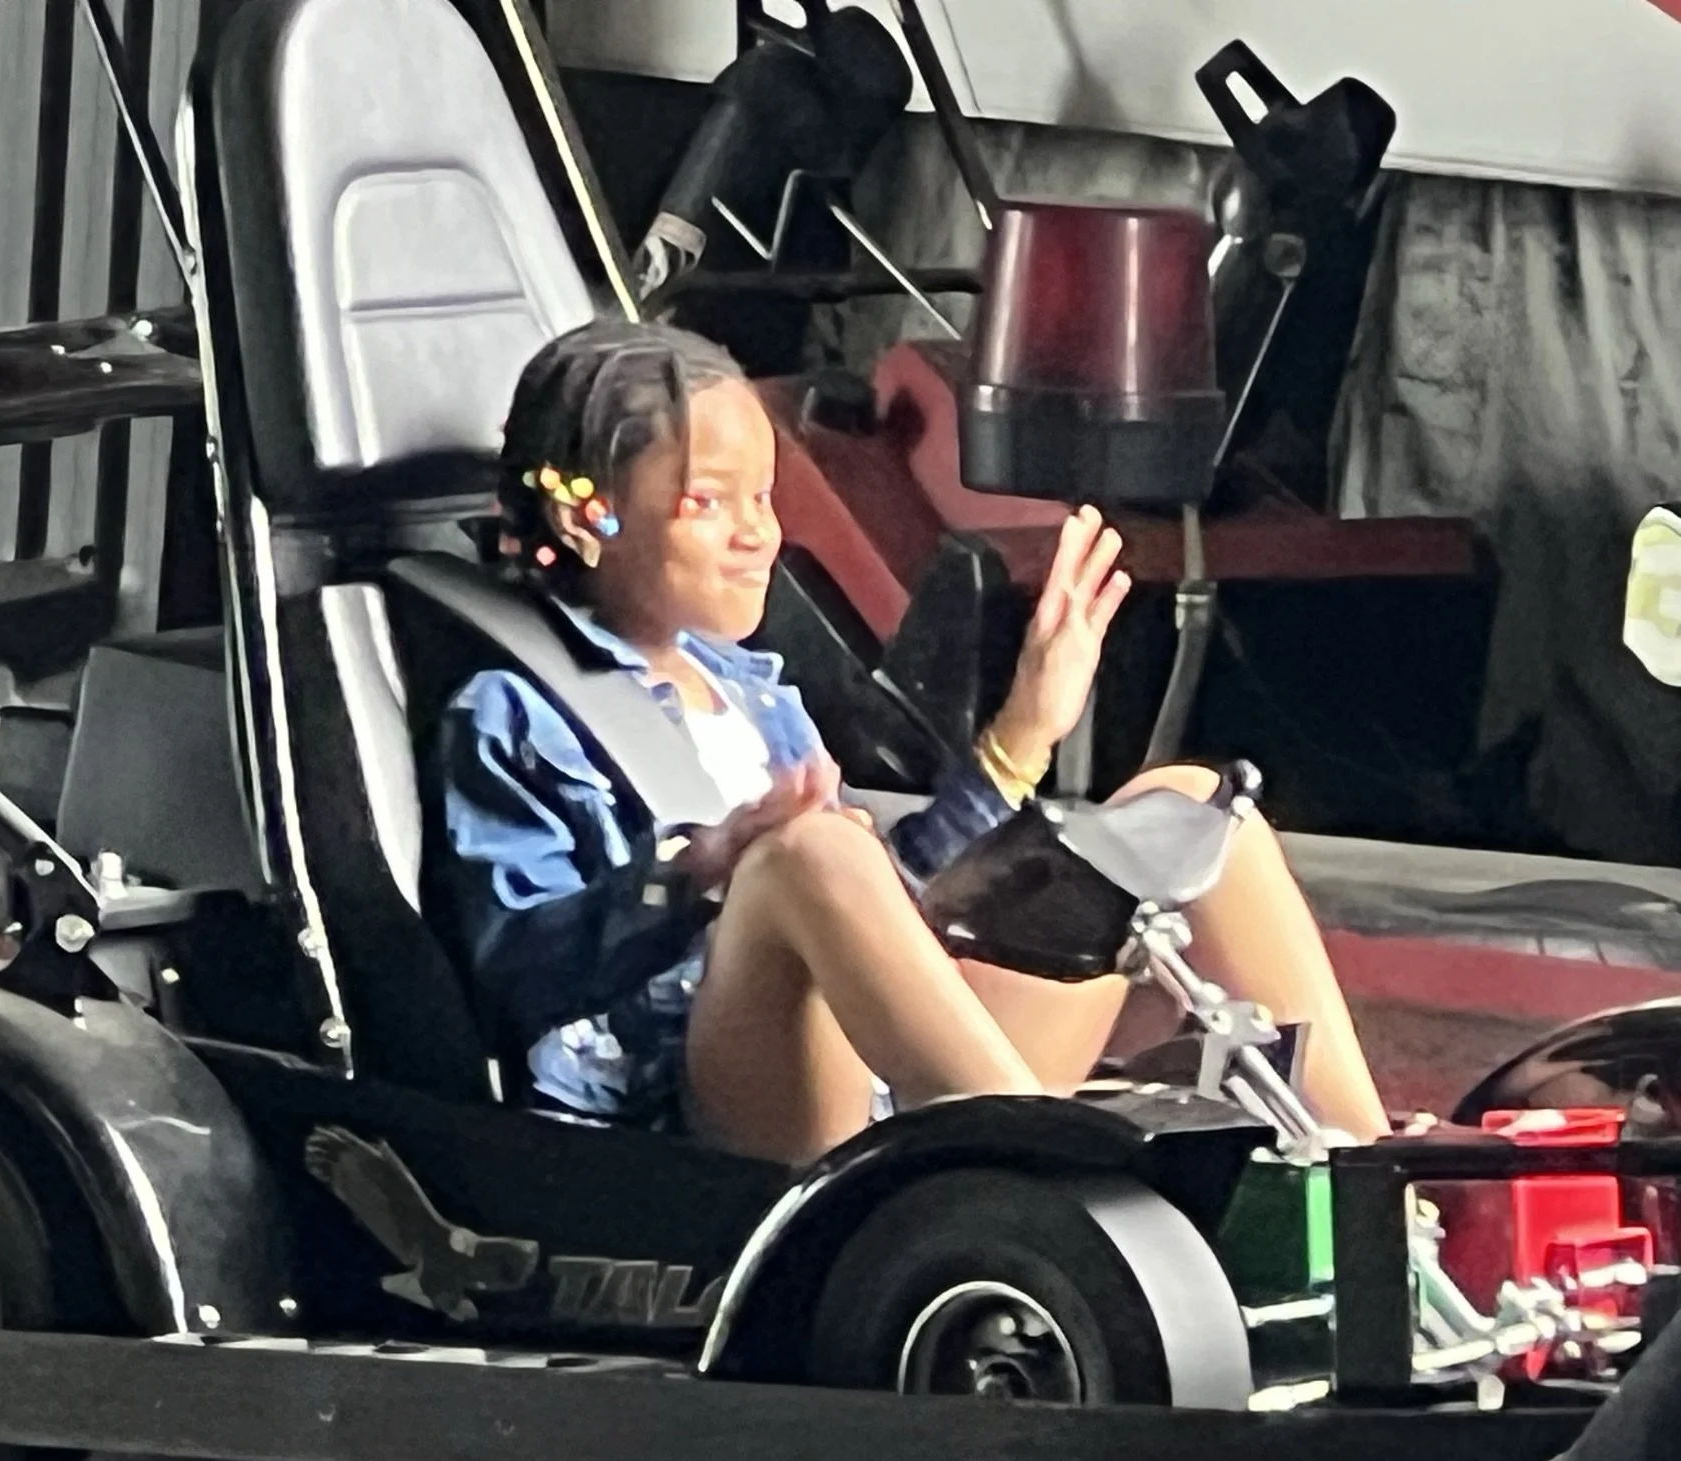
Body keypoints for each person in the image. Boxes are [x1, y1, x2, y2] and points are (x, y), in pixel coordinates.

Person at [433, 319, 1391, 1165]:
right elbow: (515, 972)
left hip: (897, 1079)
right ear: (585, 516)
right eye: (709, 503)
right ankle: (1045, 1205)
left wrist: (1022, 732)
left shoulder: (749, 692)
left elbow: (889, 911)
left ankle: (1375, 1188)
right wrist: (701, 872)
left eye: (763, 499)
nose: (757, 536)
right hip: (694, 1114)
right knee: (808, 852)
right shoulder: (515, 715)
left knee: (1189, 812)